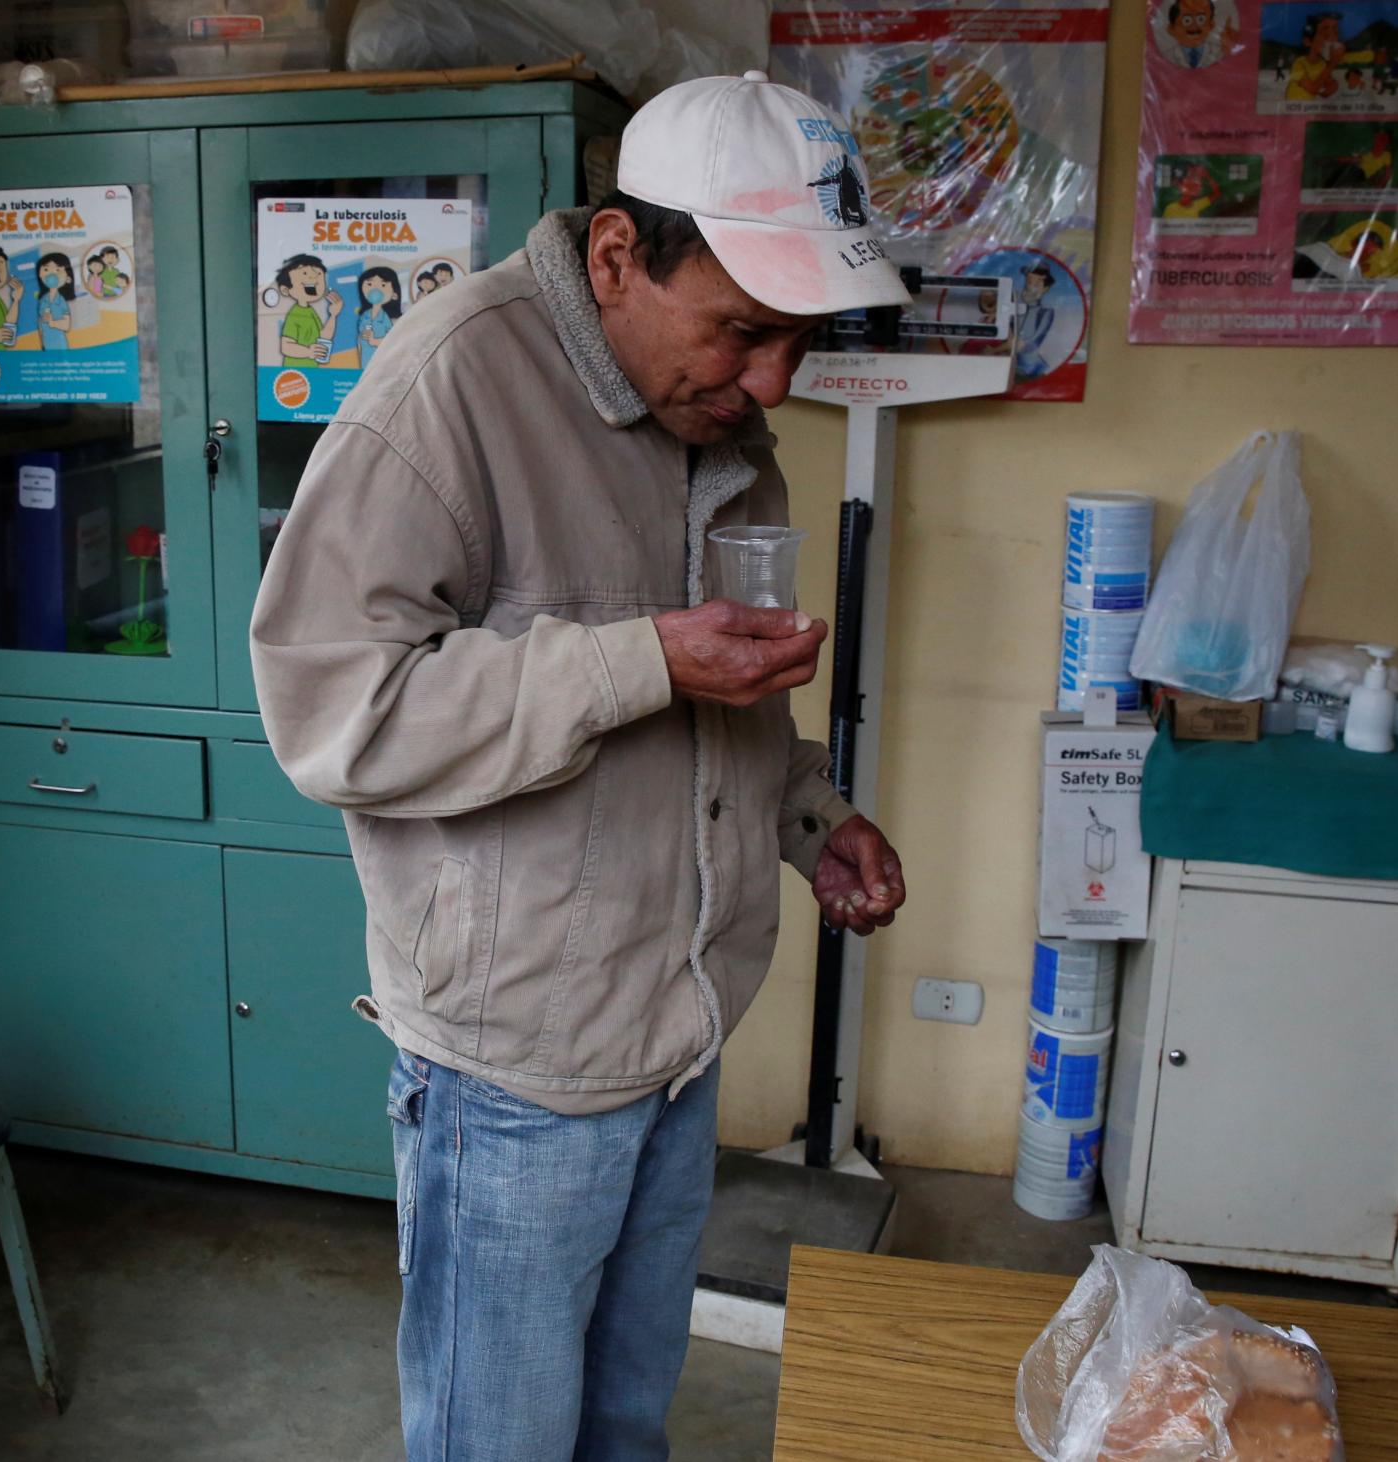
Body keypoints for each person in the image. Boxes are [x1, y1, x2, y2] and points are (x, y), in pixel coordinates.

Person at [250, 71, 909, 1462]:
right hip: (516, 1069)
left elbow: (722, 686)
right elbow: (332, 711)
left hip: (675, 1029)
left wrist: (810, 813)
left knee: (622, 1423)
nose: (773, 381)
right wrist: (640, 659)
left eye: (797, 340)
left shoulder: (711, 411)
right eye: (741, 331)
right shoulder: (452, 386)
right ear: (619, 255)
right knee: (498, 1438)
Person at [270, 252, 338, 363]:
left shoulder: (310, 311)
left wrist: (334, 315)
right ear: (285, 290)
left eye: (319, 274)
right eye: (305, 273)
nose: (313, 276)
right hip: (295, 372)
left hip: (312, 370)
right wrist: (309, 352)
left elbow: (323, 337)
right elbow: (286, 346)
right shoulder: (295, 314)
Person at [1286, 13, 1344, 101]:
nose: (1332, 41)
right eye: (1326, 36)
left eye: (1335, 34)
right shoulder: (1300, 63)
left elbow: (1327, 89)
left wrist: (1333, 85)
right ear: (1308, 41)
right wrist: (1332, 64)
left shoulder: (1323, 64)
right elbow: (1313, 89)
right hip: (1293, 107)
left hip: (1308, 109)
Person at [1162, 0, 1234, 68]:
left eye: (1201, 19)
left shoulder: (1219, 51)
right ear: (1171, 29)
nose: (1194, 26)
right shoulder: (1167, 56)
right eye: (1187, 21)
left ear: (1211, 25)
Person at [354, 264, 403, 365]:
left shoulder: (391, 319)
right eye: (369, 284)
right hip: (365, 363)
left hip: (384, 366)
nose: (375, 289)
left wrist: (374, 341)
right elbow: (360, 339)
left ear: (394, 294)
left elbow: (395, 342)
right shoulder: (364, 316)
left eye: (383, 285)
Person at [33, 252, 76, 350]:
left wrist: (53, 323)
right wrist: (41, 342)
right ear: (40, 274)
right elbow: (40, 321)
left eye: (57, 269)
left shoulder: (61, 301)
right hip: (46, 342)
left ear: (67, 277)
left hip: (59, 344)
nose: (51, 274)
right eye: (46, 269)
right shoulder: (43, 300)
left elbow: (66, 325)